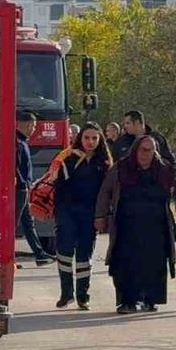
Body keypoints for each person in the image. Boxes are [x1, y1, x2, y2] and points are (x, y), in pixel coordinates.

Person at [96, 135, 176, 314]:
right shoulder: (121, 168)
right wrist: (100, 216)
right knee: (125, 264)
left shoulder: (163, 168)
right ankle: (128, 301)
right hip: (127, 226)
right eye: (143, 150)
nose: (146, 154)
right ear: (135, 150)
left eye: (150, 150)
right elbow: (105, 191)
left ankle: (149, 299)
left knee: (154, 265)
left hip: (156, 227)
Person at [53, 122, 113, 310]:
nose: (90, 142)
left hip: (90, 215)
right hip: (67, 213)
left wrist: (102, 216)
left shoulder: (104, 164)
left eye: (94, 138)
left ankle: (82, 296)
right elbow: (59, 187)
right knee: (64, 253)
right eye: (87, 138)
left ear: (100, 140)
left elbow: (108, 193)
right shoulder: (69, 159)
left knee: (84, 256)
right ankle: (66, 293)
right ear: (80, 138)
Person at [16, 110, 52, 266]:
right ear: (27, 125)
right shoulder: (17, 142)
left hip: (24, 188)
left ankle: (40, 255)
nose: (34, 129)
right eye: (33, 126)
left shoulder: (21, 142)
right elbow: (15, 167)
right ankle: (8, 257)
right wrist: (24, 184)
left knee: (27, 223)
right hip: (20, 190)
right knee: (14, 224)